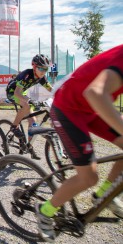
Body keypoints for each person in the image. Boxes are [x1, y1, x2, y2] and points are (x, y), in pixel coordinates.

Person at [34, 45, 123, 242]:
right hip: (69, 108)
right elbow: (95, 93)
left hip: (92, 110)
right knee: (88, 177)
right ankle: (45, 210)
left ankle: (104, 195)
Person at [6, 54, 52, 149]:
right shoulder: (27, 74)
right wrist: (29, 100)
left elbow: (51, 89)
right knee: (26, 105)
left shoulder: (41, 78)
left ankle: (29, 146)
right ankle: (14, 126)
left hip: (23, 92)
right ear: (34, 67)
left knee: (33, 120)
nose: (43, 72)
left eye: (46, 69)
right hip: (13, 92)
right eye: (41, 69)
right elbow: (17, 93)